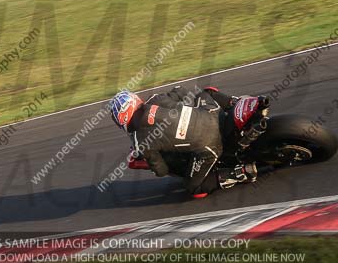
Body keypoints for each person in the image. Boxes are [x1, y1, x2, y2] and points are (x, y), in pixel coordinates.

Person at [109, 85, 270, 198]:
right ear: (135, 100)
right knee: (207, 92)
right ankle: (235, 104)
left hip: (211, 146)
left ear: (122, 121)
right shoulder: (155, 98)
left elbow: (162, 171)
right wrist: (184, 110)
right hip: (212, 112)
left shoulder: (140, 140)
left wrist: (154, 164)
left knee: (194, 188)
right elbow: (180, 91)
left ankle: (241, 172)